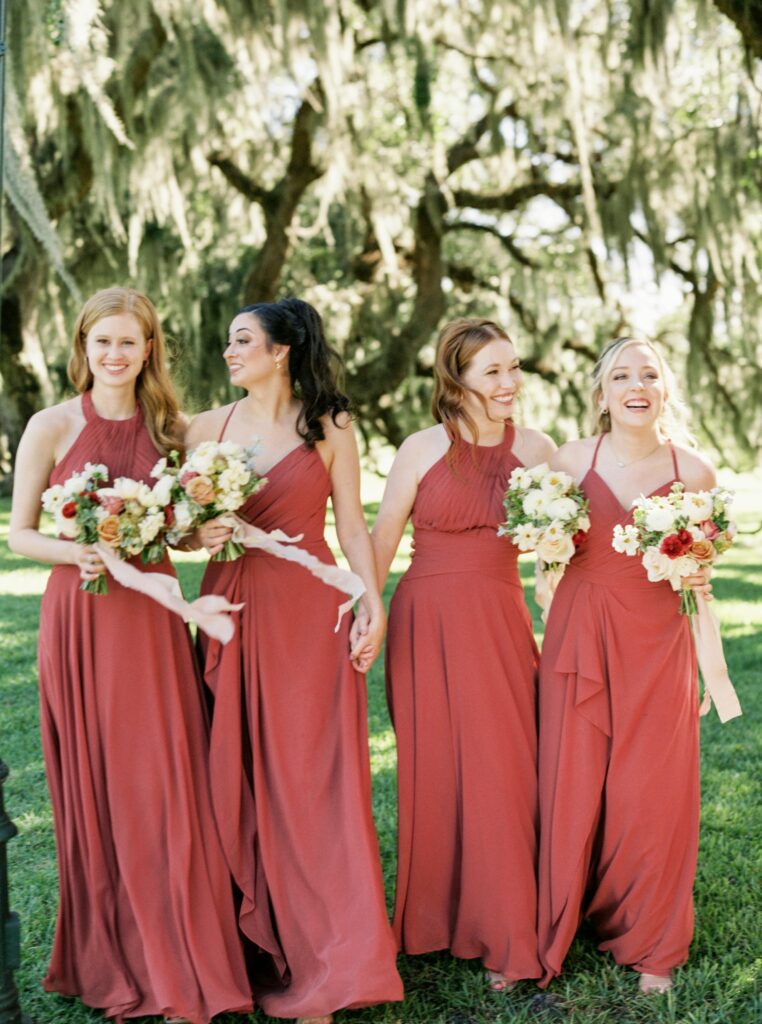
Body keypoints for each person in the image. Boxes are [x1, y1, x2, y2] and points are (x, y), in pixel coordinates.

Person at [8, 287, 252, 1023]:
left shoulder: (170, 430)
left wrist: (197, 537)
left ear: (150, 348)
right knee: (102, 780)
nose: (114, 355)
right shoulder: (50, 426)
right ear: (81, 347)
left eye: (128, 342)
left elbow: (172, 532)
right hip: (81, 614)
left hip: (149, 613)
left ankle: (179, 958)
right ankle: (114, 957)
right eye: (101, 341)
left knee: (162, 776)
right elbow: (19, 533)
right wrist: (77, 548)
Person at [187, 297, 403, 1024]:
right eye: (227, 341)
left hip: (313, 612)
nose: (229, 351)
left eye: (242, 339)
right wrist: (201, 531)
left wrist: (371, 602)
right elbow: (182, 533)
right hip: (231, 609)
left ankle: (332, 960)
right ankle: (249, 949)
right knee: (234, 770)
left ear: (281, 350)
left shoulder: (331, 424)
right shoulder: (203, 428)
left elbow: (349, 523)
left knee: (314, 780)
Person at [371, 317, 555, 990]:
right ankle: (435, 921)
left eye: (514, 368)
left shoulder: (536, 449)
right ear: (457, 379)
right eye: (493, 372)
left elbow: (563, 544)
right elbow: (383, 538)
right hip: (424, 620)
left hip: (500, 619)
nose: (510, 383)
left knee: (503, 767)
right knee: (436, 768)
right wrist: (366, 612)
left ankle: (508, 931)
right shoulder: (420, 447)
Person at [536, 336, 715, 995]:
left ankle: (652, 938)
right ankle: (568, 913)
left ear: (664, 389)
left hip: (657, 641)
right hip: (580, 634)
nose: (635, 384)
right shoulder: (569, 458)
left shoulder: (693, 471)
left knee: (652, 790)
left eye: (648, 373)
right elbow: (546, 551)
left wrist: (703, 657)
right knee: (574, 781)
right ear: (601, 393)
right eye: (621, 374)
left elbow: (699, 572)